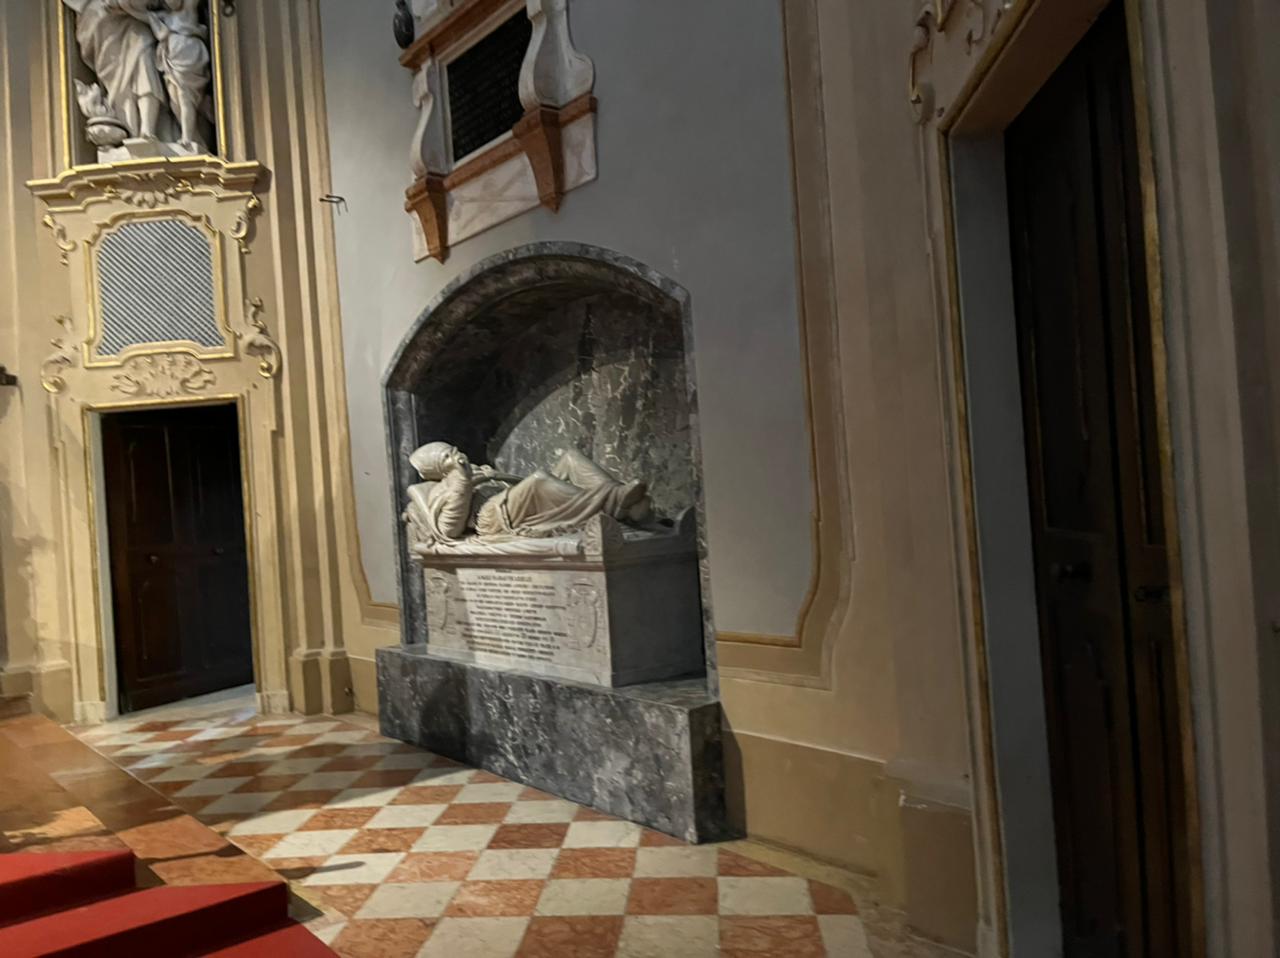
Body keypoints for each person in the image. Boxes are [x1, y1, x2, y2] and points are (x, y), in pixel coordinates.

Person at [403, 442, 651, 556]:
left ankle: (619, 497)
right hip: (493, 516)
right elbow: (450, 530)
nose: (458, 457)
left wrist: (483, 475)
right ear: (439, 470)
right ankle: (615, 504)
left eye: (455, 450)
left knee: (570, 458)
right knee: (538, 480)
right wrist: (463, 481)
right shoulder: (444, 489)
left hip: (511, 502)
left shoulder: (471, 469)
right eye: (447, 458)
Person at [64, 0, 168, 140]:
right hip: (102, 22)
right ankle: (131, 131)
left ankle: (147, 129)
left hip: (136, 22)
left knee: (144, 66)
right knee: (120, 85)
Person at [148, 0, 211, 148]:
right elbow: (143, 14)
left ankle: (186, 139)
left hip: (189, 54)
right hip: (171, 59)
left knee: (185, 97)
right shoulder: (165, 16)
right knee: (174, 102)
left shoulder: (189, 7)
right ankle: (196, 139)